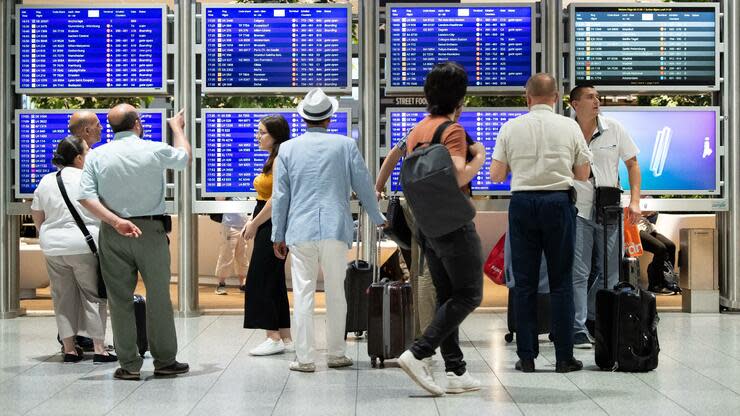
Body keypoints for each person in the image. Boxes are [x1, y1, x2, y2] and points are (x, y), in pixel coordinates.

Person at [271, 88, 385, 373]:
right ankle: (336, 353)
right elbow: (363, 184)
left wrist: (277, 234)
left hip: (300, 230)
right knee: (336, 293)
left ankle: (305, 358)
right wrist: (377, 217)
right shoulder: (345, 145)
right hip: (336, 229)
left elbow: (281, 196)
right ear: (329, 118)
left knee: (303, 293)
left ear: (304, 119)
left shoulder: (287, 149)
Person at [78, 104, 191, 381]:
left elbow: (85, 197)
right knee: (159, 298)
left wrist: (116, 222)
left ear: (111, 127)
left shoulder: (97, 155)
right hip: (150, 231)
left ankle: (129, 364)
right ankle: (164, 361)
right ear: (137, 124)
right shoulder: (153, 149)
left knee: (119, 300)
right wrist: (176, 127)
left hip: (114, 232)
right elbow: (184, 158)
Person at [490, 73, 592, 374]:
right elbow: (583, 173)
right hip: (558, 204)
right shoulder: (569, 126)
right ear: (557, 97)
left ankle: (527, 357)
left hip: (522, 205)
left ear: (527, 97)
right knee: (561, 282)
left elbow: (496, 175)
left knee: (524, 284)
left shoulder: (511, 128)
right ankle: (564, 357)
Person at [396, 62, 486, 396]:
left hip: (427, 226)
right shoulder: (453, 131)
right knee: (470, 294)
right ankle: (419, 352)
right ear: (460, 98)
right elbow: (459, 176)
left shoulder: (419, 130)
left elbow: (394, 160)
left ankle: (456, 370)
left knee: (448, 295)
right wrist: (480, 157)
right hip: (454, 225)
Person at [30, 136, 116, 364]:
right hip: (84, 245)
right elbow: (104, 210)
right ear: (79, 158)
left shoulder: (46, 181)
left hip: (53, 247)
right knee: (93, 296)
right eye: (88, 151)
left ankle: (69, 348)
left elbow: (37, 215)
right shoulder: (88, 179)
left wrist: (48, 235)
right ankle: (99, 348)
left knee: (62, 297)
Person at [569, 85, 641, 346]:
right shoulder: (566, 131)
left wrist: (634, 201)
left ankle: (591, 314)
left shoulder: (614, 128)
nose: (597, 101)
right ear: (574, 104)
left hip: (609, 209)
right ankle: (577, 328)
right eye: (590, 97)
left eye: (598, 97)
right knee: (579, 271)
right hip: (577, 210)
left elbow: (632, 164)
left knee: (610, 272)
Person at [375, 132, 437, 339]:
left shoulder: (416, 130)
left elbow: (393, 155)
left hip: (413, 201)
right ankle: (428, 330)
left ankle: (419, 327)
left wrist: (378, 187)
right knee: (428, 267)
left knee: (418, 264)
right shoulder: (449, 131)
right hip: (433, 205)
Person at [242, 115, 293, 355]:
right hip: (267, 217)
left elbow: (276, 199)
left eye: (262, 132)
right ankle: (285, 336)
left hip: (271, 220)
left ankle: (272, 336)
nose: (258, 136)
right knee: (273, 280)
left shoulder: (280, 159)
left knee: (259, 280)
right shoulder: (274, 158)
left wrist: (254, 223)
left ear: (276, 135)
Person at [213, 197, 251, 295]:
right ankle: (221, 284)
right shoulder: (226, 185)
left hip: (244, 226)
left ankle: (243, 283)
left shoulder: (245, 188)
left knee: (242, 255)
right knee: (226, 255)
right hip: (229, 226)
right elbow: (218, 199)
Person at [638, 211, 680, 294]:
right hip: (633, 227)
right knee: (660, 248)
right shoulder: (628, 198)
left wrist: (650, 214)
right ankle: (655, 283)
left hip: (646, 226)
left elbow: (654, 214)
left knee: (670, 246)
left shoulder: (647, 197)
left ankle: (668, 280)